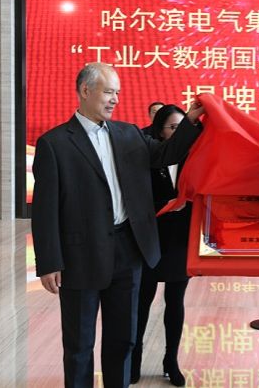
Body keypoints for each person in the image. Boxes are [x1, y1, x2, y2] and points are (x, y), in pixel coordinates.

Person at [31, 63, 204, 388]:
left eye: (117, 93)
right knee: (80, 344)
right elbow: (44, 209)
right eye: (109, 92)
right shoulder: (55, 143)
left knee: (122, 338)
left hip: (128, 250)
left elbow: (167, 153)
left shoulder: (129, 135)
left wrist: (191, 119)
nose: (115, 99)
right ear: (86, 91)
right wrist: (49, 261)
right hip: (80, 257)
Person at [132, 105, 192, 387]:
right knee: (142, 302)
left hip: (181, 240)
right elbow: (137, 198)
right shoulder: (147, 155)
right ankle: (134, 360)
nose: (178, 133)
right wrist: (164, 205)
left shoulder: (192, 156)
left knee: (175, 302)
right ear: (160, 129)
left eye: (182, 127)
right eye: (173, 127)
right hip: (150, 239)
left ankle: (171, 361)